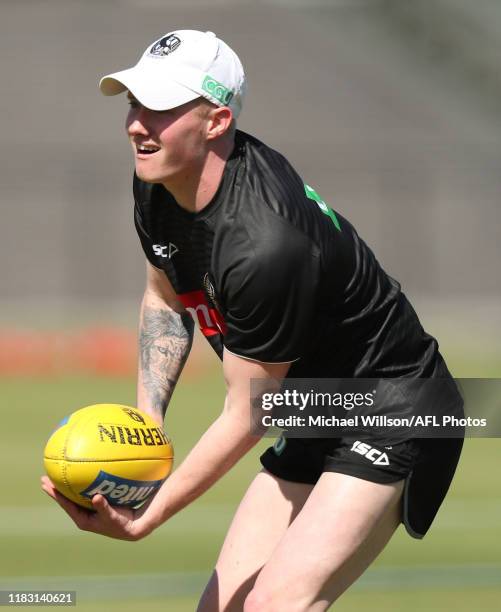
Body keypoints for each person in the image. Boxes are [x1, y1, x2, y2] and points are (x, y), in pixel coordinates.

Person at [41, 30, 463, 611]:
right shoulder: (163, 184)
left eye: (159, 108)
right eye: (134, 103)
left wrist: (148, 518)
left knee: (276, 606)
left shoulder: (264, 243)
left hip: (397, 403)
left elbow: (247, 415)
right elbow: (165, 298)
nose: (137, 124)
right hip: (311, 404)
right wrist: (147, 424)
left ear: (215, 121)